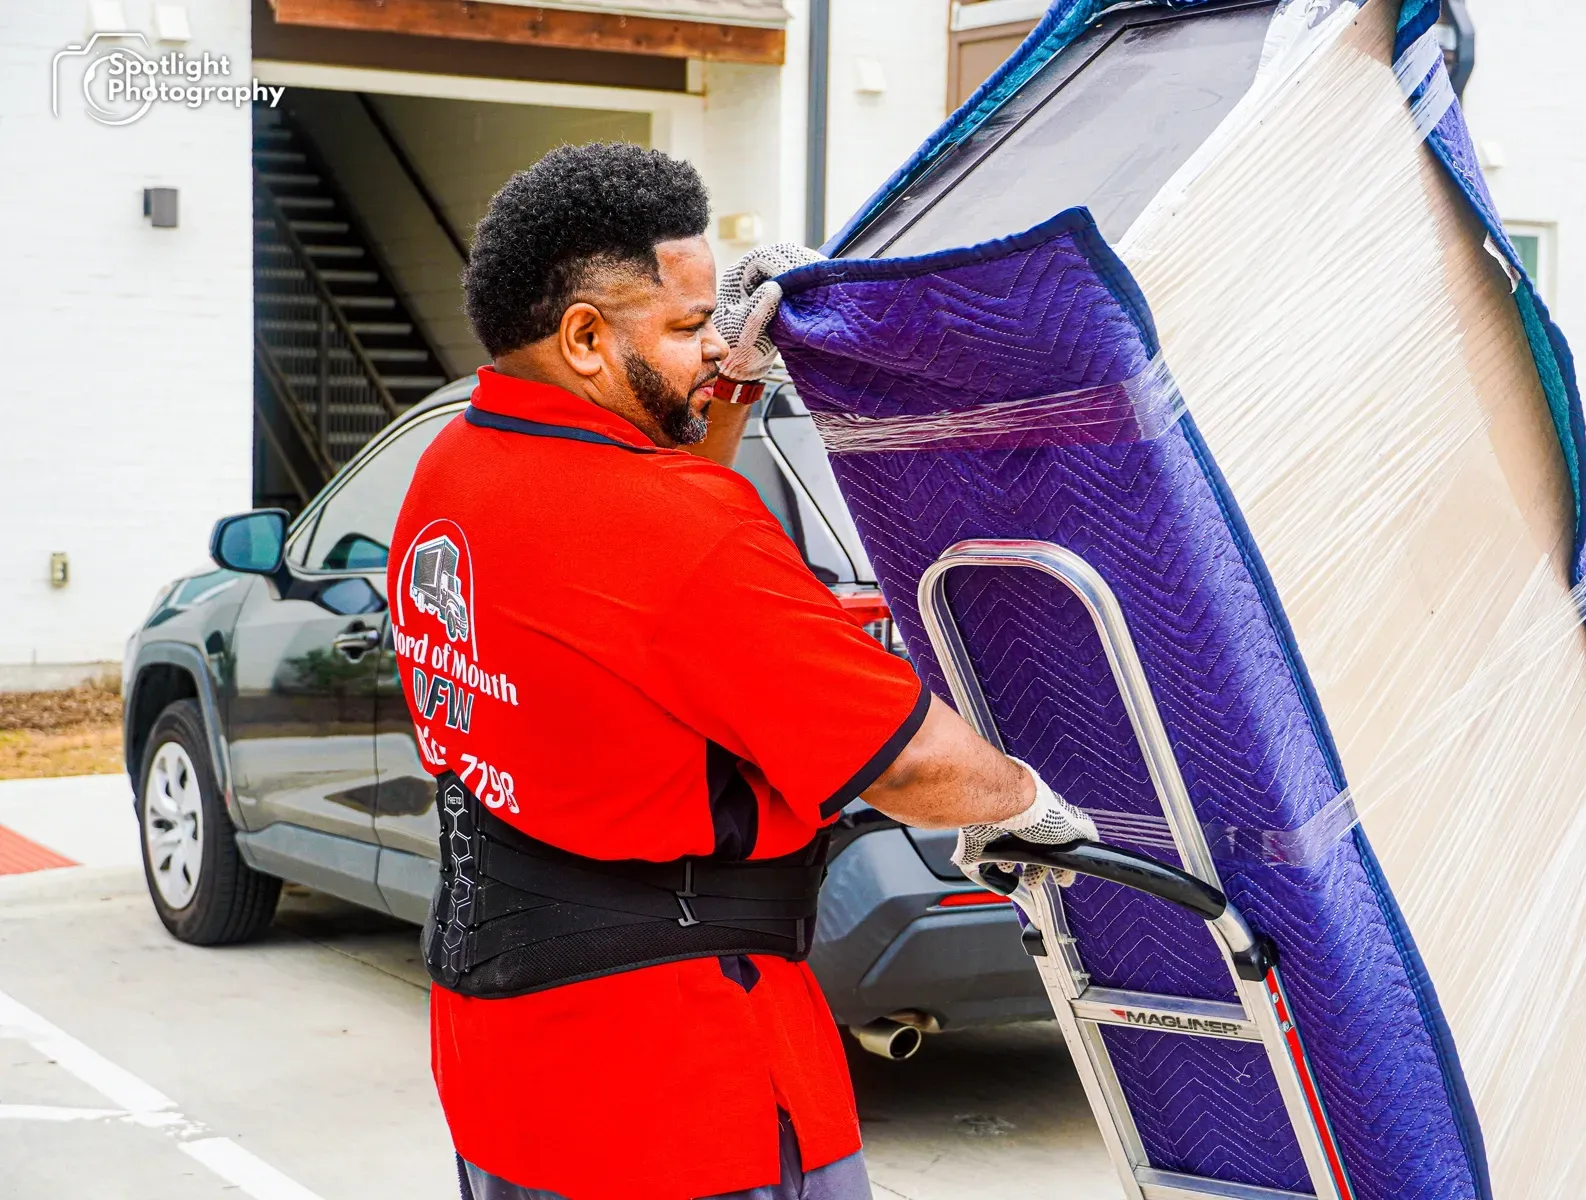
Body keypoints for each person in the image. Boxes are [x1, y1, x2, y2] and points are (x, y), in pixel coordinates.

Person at [387, 142, 1094, 1200]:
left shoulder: (453, 471)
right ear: (584, 338)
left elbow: (634, 584)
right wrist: (1025, 804)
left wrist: (726, 403)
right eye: (683, 330)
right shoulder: (672, 531)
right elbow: (902, 766)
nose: (711, 351)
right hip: (681, 1084)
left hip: (508, 1061)